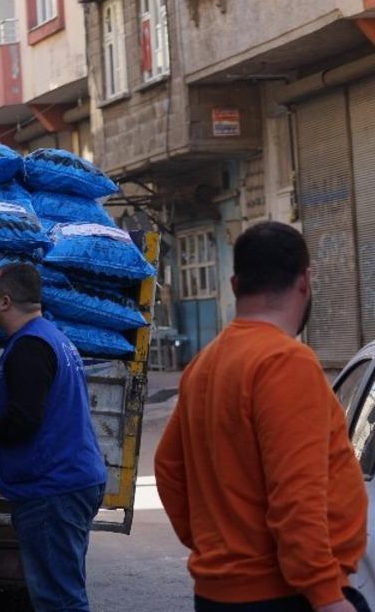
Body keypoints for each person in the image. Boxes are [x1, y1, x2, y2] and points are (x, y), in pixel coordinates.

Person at [154, 222, 369, 612]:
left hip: (222, 593)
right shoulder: (285, 362)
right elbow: (296, 495)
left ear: (235, 285)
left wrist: (217, 546)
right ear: (305, 280)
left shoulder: (204, 365)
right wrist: (327, 596)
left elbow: (168, 470)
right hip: (285, 595)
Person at [0, 263, 107, 612]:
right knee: (62, 593)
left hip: (52, 488)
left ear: (5, 302)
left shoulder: (30, 348)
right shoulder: (50, 337)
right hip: (67, 482)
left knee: (59, 600)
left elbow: (24, 420)